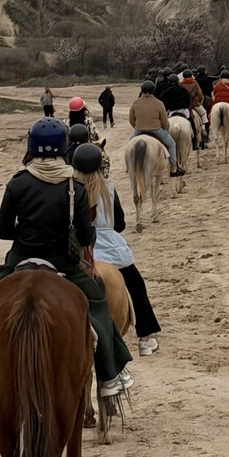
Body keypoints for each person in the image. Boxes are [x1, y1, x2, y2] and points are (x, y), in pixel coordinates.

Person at [0, 118, 133, 396]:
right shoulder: (73, 188)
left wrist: (26, 232)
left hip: (20, 259)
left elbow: (2, 231)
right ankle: (108, 375)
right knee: (98, 304)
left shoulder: (17, 183)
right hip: (63, 263)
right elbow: (85, 236)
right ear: (62, 147)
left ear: (31, 146)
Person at [71, 143, 161, 356]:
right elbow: (119, 223)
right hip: (109, 248)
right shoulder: (108, 188)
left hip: (80, 246)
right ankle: (145, 338)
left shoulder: (70, 189)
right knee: (136, 286)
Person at [128, 79, 182, 176]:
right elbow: (164, 121)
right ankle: (174, 168)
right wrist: (165, 129)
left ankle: (129, 166)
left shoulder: (135, 103)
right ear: (153, 90)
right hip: (156, 130)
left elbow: (131, 120)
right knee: (171, 144)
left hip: (139, 130)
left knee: (129, 145)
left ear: (142, 90)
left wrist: (137, 127)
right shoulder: (159, 103)